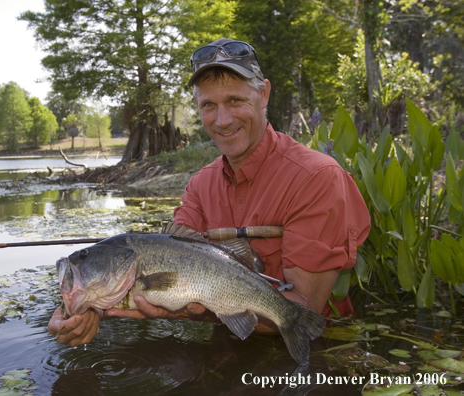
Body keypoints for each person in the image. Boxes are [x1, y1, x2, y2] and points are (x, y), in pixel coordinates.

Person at [48, 38, 371, 346]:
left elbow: (306, 307)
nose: (223, 120)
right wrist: (78, 310)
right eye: (208, 105)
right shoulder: (200, 186)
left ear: (264, 95)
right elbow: (154, 271)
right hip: (229, 345)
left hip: (322, 346)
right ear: (196, 107)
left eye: (235, 100)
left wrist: (205, 311)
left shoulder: (317, 177)